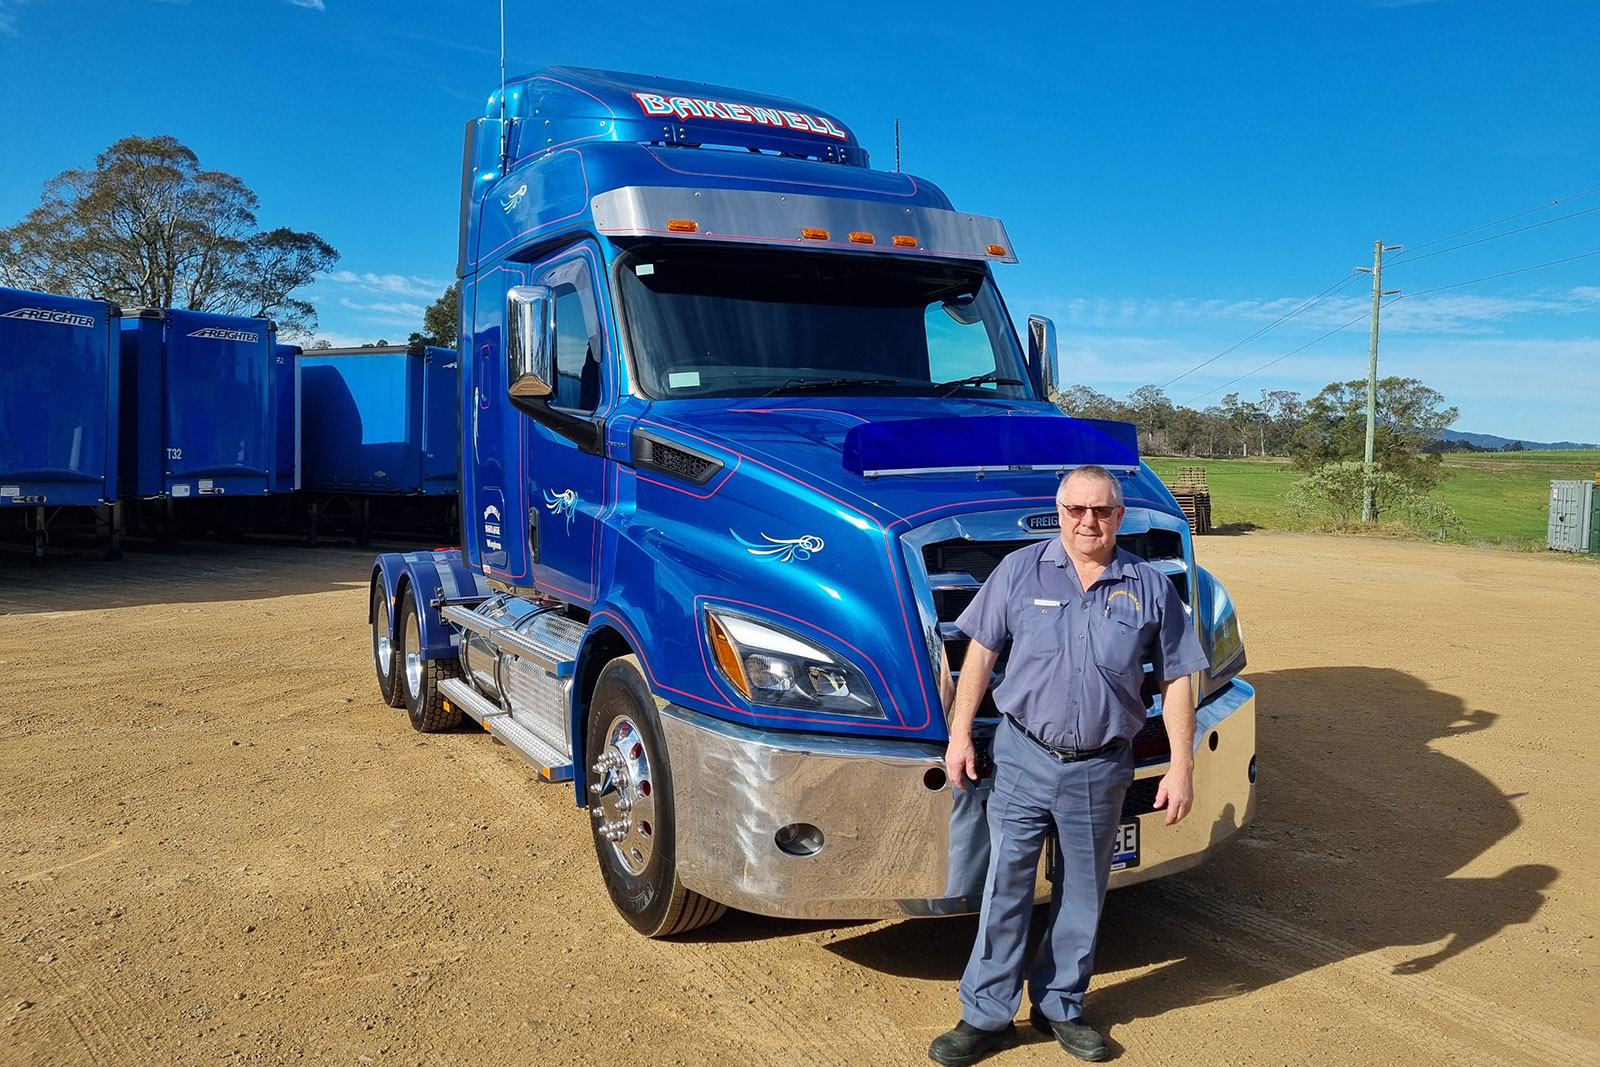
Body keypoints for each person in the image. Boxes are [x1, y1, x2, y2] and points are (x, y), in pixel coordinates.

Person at [930, 464, 1210, 1065]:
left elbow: (1181, 678)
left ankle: (1062, 1004)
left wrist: (1181, 765)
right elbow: (978, 656)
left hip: (1101, 766)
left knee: (1082, 891)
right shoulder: (1019, 569)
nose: (1090, 521)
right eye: (1077, 510)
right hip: (1023, 755)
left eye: (1103, 510)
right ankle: (985, 1014)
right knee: (1005, 885)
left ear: (1120, 515)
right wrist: (959, 737)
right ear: (1060, 513)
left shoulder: (1149, 585)